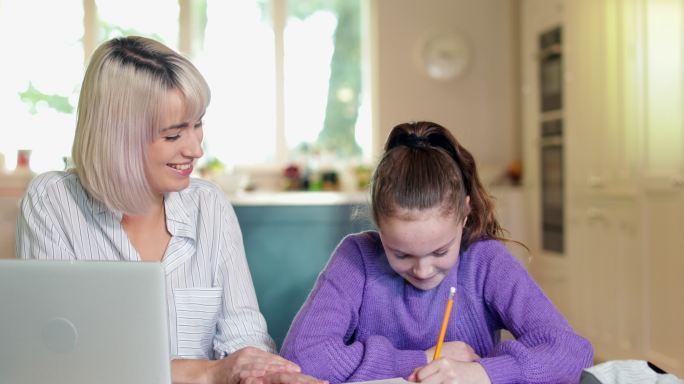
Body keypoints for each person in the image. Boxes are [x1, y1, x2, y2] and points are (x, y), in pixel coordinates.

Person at [16, 36, 321, 384]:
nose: (196, 149)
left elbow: (244, 338)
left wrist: (265, 373)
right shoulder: (53, 203)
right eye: (174, 135)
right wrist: (205, 373)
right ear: (118, 138)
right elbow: (60, 362)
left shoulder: (210, 205)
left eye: (198, 124)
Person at [280, 121, 594, 383]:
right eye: (400, 254)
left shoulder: (486, 262)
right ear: (378, 225)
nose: (423, 270)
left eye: (440, 251)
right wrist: (424, 360)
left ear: (465, 214)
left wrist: (482, 373)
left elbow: (571, 351)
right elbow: (302, 358)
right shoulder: (356, 258)